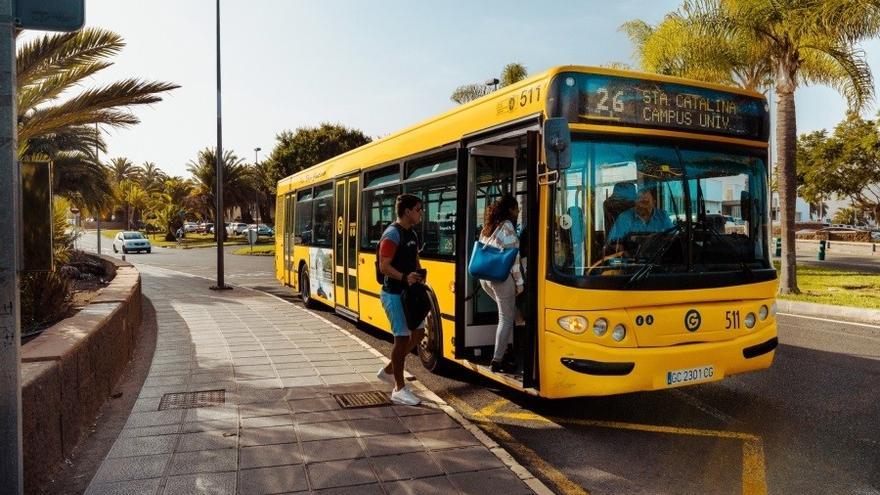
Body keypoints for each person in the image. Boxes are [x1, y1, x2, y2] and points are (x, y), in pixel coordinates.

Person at [376, 193, 426, 405]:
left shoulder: (412, 234)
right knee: (402, 339)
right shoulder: (392, 235)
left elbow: (414, 259)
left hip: (409, 293)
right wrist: (405, 277)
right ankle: (399, 388)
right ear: (407, 212)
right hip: (393, 294)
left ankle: (389, 370)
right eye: (418, 209)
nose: (421, 213)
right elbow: (384, 266)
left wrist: (419, 273)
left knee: (419, 333)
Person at [478, 194, 523, 372]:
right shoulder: (508, 226)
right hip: (501, 279)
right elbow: (514, 258)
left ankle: (508, 348)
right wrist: (519, 283)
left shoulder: (489, 226)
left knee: (508, 313)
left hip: (485, 278)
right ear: (510, 209)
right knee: (505, 318)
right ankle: (497, 360)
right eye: (517, 208)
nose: (518, 211)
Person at [606, 187, 672, 253]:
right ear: (635, 202)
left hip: (658, 258)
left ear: (653, 203)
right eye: (639, 202)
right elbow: (613, 242)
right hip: (633, 259)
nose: (642, 206)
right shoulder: (625, 217)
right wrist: (625, 255)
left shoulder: (663, 216)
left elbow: (673, 238)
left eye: (646, 202)